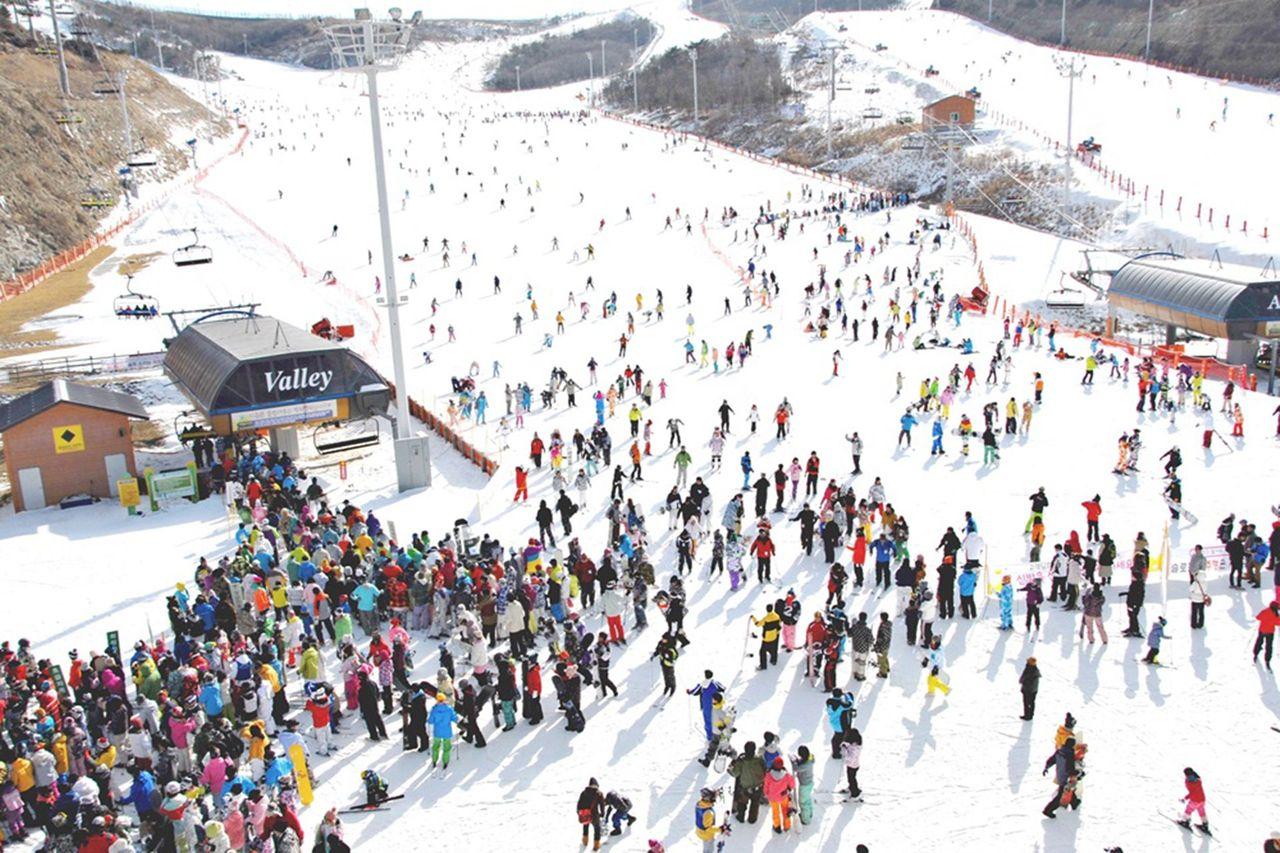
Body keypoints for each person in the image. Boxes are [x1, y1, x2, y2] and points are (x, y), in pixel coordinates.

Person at [728, 741, 765, 824]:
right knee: (755, 803)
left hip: (745, 787)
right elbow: (764, 769)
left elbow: (735, 773)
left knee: (742, 802)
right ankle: (752, 819)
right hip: (758, 786)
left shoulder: (741, 762)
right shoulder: (759, 759)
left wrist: (730, 768)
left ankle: (740, 816)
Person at [762, 756, 796, 834]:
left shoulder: (768, 775)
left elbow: (766, 786)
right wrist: (788, 789)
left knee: (775, 812)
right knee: (785, 810)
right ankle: (787, 826)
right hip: (783, 796)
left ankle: (777, 826)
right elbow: (793, 784)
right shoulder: (786, 775)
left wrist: (766, 794)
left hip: (773, 798)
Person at [1177, 767, 1209, 835]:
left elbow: (1192, 793)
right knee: (1202, 811)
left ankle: (1185, 821)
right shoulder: (1198, 780)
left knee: (1188, 810)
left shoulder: (1189, 783)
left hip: (1195, 801)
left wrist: (1185, 798)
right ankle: (1205, 824)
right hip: (1202, 800)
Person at [577, 778, 605, 851]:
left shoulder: (584, 792)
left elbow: (579, 804)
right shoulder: (599, 793)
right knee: (597, 829)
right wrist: (602, 813)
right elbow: (602, 804)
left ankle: (585, 841)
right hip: (595, 815)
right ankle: (596, 845)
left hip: (585, 814)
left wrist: (579, 813)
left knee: (585, 826)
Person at [1255, 601, 1280, 670]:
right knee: (1269, 646)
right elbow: (1278, 622)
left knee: (1259, 642)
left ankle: (1256, 653)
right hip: (1270, 632)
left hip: (1262, 630)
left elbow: (1258, 617)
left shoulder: (1265, 611)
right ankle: (1267, 659)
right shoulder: (1275, 614)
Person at [840, 728, 863, 799]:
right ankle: (851, 787)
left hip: (853, 766)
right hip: (851, 765)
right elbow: (848, 745)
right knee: (851, 778)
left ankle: (855, 793)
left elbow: (850, 757)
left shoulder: (855, 749)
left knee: (852, 779)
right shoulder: (854, 744)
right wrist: (845, 745)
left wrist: (844, 751)